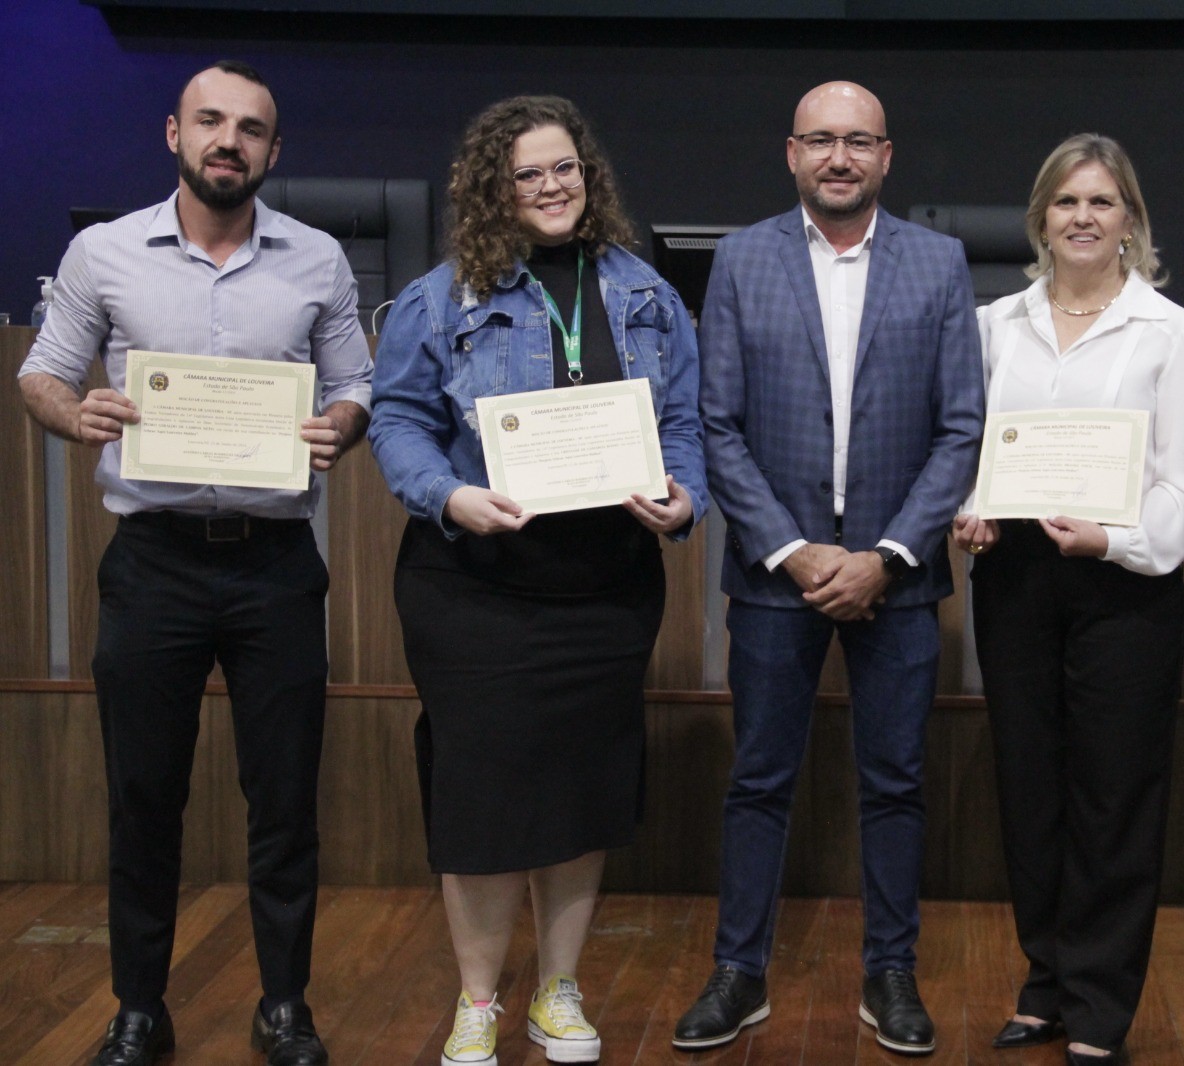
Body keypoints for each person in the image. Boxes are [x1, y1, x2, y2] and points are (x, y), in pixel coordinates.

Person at [16, 60, 370, 1066]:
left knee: (286, 798)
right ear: (173, 133)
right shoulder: (106, 252)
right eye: (211, 122)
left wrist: (337, 425)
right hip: (154, 564)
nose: (231, 141)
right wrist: (73, 412)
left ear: (273, 151)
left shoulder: (318, 260)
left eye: (251, 129)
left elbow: (356, 385)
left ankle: (285, 1004)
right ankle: (139, 1008)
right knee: (142, 795)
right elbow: (40, 376)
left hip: (275, 565)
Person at [367, 95, 706, 1066]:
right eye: (530, 174)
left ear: (588, 178)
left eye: (568, 169)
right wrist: (447, 496)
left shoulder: (644, 294)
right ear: (493, 188)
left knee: (579, 787)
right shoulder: (441, 299)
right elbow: (396, 424)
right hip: (472, 580)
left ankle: (558, 988)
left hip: (602, 586)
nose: (554, 187)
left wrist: (683, 501)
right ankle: (479, 997)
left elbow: (681, 422)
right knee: (478, 790)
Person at [675, 81, 983, 1056]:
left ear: (887, 155)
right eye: (821, 141)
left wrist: (888, 555)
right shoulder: (741, 258)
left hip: (899, 577)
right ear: (791, 153)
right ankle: (740, 970)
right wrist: (798, 549)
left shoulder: (937, 264)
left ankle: (890, 973)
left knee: (894, 782)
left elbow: (960, 426)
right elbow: (714, 424)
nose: (838, 157)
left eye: (857, 141)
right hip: (776, 576)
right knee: (759, 778)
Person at [950, 134, 1184, 1064]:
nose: (1082, 217)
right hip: (1017, 577)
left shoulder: (1176, 333)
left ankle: (1101, 1005)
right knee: (1029, 786)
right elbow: (968, 454)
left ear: (1131, 221)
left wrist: (1114, 537)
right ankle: (1046, 982)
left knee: (1114, 795)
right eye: (1066, 202)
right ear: (1040, 218)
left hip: (1125, 586)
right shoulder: (994, 326)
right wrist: (974, 508)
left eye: (1102, 202)